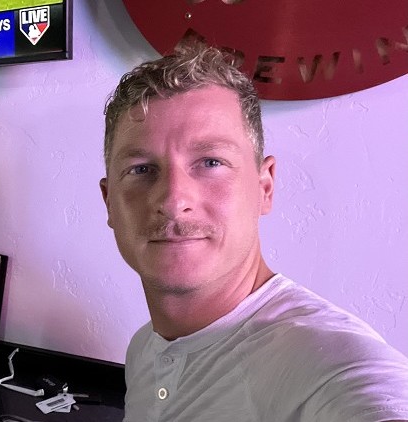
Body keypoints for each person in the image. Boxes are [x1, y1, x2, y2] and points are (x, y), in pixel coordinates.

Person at [100, 46, 408, 422]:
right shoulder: (144, 348)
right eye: (141, 169)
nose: (173, 200)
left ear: (264, 187)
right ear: (109, 201)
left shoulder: (326, 364)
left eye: (211, 162)